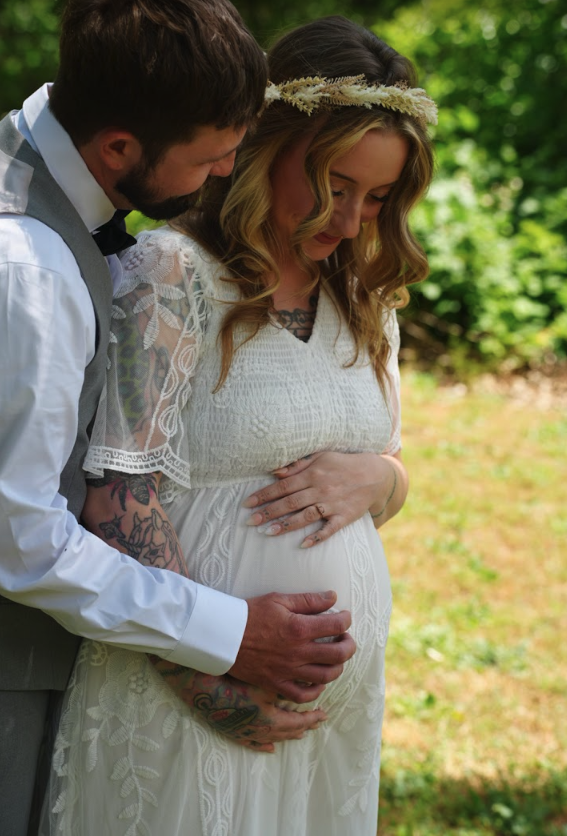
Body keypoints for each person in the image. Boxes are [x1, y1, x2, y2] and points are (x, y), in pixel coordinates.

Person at [40, 14, 436, 836]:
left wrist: (384, 478)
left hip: (322, 722)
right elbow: (117, 497)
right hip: (188, 693)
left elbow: (384, 463)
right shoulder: (171, 274)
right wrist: (215, 687)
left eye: (379, 195)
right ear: (266, 144)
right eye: (334, 183)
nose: (354, 217)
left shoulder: (364, 299)